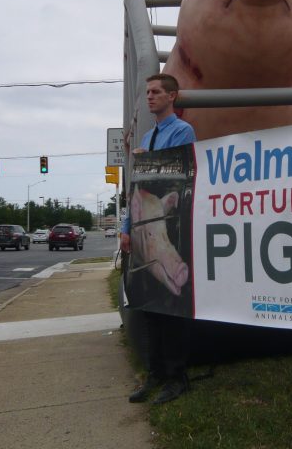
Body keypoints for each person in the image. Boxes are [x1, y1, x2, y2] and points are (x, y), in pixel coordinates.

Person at [121, 72, 196, 405]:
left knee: (171, 306)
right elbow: (139, 187)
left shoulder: (182, 131)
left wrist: (147, 164)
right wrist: (126, 229)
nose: (149, 96)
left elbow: (176, 171)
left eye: (156, 92)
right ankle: (155, 373)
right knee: (150, 307)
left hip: (170, 224)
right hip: (145, 225)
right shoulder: (148, 136)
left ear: (172, 97)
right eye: (147, 91)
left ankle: (176, 375)